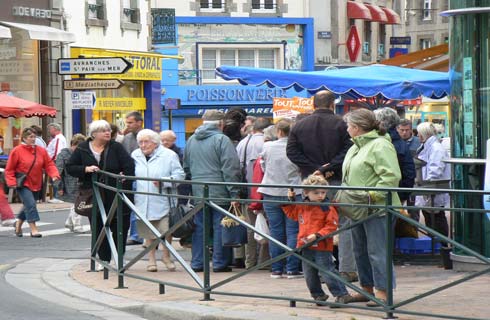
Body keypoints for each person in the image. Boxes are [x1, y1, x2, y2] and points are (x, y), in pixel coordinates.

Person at [286, 89, 356, 283]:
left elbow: (291, 152)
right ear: (333, 104)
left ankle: (316, 269)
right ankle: (346, 269)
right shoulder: (342, 124)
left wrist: (313, 169)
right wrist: (327, 168)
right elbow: (348, 150)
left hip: (309, 182)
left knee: (311, 223)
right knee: (343, 223)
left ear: (313, 104)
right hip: (335, 180)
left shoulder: (299, 126)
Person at [342, 108, 401, 306]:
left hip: (377, 208)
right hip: (356, 207)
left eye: (349, 126)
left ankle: (383, 292)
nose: (347, 129)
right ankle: (365, 289)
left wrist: (372, 195)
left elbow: (391, 177)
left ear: (357, 128)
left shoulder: (380, 145)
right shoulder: (355, 147)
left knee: (377, 251)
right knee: (360, 250)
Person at [66, 120, 135, 269]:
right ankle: (103, 259)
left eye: (108, 130)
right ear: (94, 133)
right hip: (94, 194)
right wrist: (85, 169)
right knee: (98, 226)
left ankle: (118, 257)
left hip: (115, 194)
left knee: (119, 226)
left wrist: (122, 176)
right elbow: (70, 167)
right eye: (103, 130)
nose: (107, 132)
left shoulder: (116, 147)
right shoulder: (83, 148)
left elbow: (129, 166)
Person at [283, 175, 354, 307]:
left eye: (323, 192)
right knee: (309, 274)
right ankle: (318, 295)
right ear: (306, 193)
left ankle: (341, 295)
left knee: (327, 271)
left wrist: (317, 235)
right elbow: (292, 214)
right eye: (316, 193)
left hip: (322, 245)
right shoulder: (302, 206)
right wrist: (290, 200)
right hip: (305, 244)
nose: (320, 195)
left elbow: (331, 226)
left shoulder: (327, 207)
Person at [184, 109, 241, 273]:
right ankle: (219, 263)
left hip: (198, 191)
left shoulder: (192, 140)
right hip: (220, 191)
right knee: (220, 227)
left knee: (200, 228)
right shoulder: (222, 140)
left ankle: (197, 262)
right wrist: (234, 193)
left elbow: (186, 167)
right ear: (221, 124)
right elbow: (231, 169)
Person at [132, 129, 185, 272]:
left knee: (165, 231)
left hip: (163, 198)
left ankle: (166, 256)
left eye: (146, 142)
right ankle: (151, 259)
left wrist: (164, 181)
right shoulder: (135, 155)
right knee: (147, 231)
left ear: (155, 143)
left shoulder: (169, 155)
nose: (143, 145)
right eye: (140, 142)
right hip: (142, 198)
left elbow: (180, 175)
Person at [258, 119, 302, 279]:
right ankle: (292, 268)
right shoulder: (297, 147)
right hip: (293, 191)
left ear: (279, 132)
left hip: (270, 190)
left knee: (275, 231)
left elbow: (263, 166)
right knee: (293, 231)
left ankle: (276, 268)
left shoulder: (267, 147)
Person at [5, 127, 60, 237]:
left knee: (29, 205)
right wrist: (11, 182)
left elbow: (49, 164)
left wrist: (54, 174)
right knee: (30, 204)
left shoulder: (41, 151)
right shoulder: (17, 151)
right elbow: (10, 169)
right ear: (24, 138)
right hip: (23, 183)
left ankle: (18, 224)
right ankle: (33, 229)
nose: (33, 139)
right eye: (31, 137)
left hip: (36, 182)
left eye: (35, 137)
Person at [235, 117, 271, 269]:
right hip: (261, 189)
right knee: (265, 225)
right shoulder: (266, 143)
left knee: (251, 227)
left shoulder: (243, 142)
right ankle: (265, 261)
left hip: (246, 189)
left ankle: (250, 261)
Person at [415, 122, 450, 242]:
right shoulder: (430, 146)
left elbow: (435, 169)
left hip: (432, 190)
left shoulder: (435, 148)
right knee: (431, 218)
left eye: (419, 133)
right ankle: (438, 245)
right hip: (428, 190)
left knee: (436, 218)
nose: (418, 135)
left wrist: (427, 186)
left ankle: (441, 246)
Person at [374, 108, 415, 203]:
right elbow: (409, 171)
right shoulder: (401, 143)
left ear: (381, 122)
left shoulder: (382, 142)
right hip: (398, 192)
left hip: (384, 193)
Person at [55, 133, 87, 233]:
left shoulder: (82, 154)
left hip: (82, 182)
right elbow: (58, 171)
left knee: (78, 203)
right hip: (69, 183)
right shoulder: (63, 154)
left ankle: (70, 222)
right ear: (73, 144)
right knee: (78, 203)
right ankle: (76, 224)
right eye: (77, 146)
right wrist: (59, 187)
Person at [122, 111, 144, 246]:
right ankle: (135, 235)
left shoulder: (147, 136)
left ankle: (144, 235)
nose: (128, 125)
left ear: (139, 122)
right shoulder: (127, 138)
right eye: (127, 123)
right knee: (132, 206)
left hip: (144, 177)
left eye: (130, 122)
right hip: (131, 177)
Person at [46, 123, 67, 204]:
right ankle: (57, 196)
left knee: (56, 178)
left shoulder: (58, 138)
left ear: (55, 129)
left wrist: (51, 161)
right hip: (57, 160)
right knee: (56, 178)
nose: (49, 131)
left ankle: (57, 196)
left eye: (50, 129)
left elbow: (57, 151)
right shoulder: (59, 138)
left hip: (56, 161)